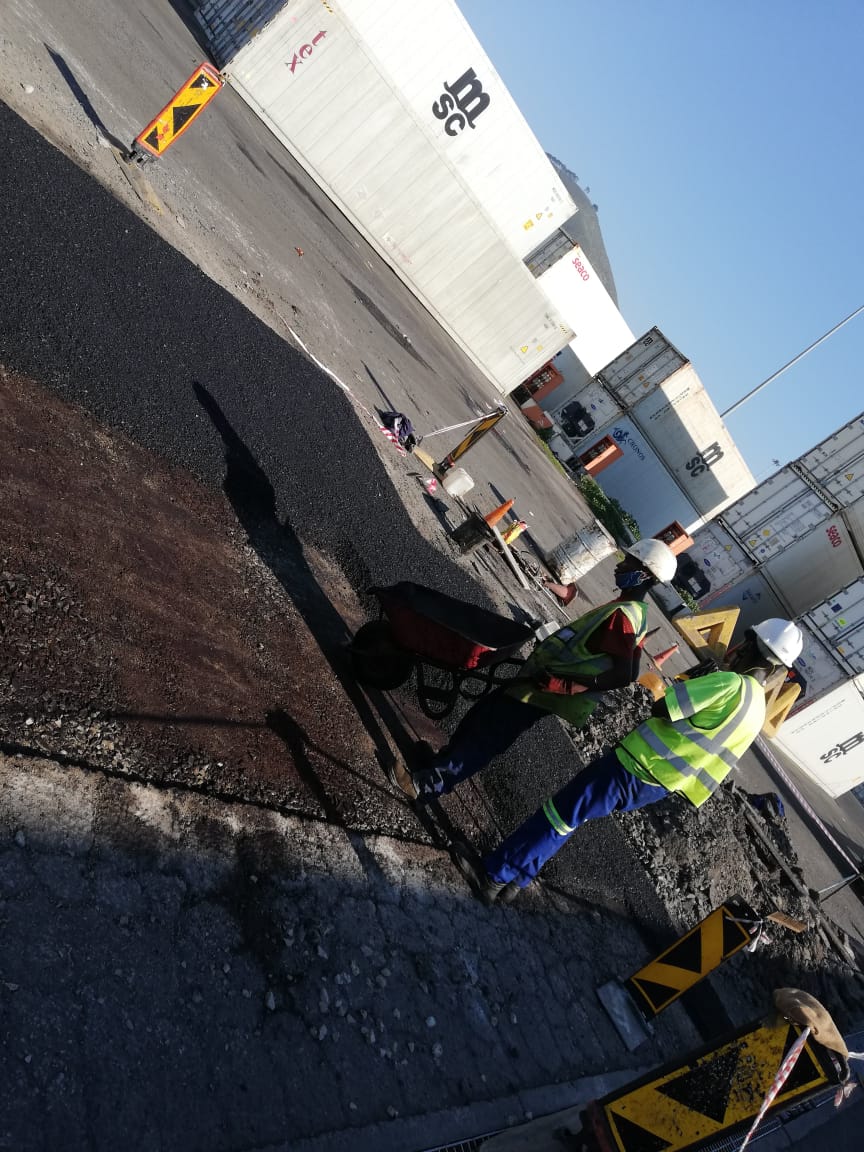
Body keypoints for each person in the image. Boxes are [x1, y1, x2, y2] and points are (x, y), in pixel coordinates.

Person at [450, 617, 805, 905]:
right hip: (660, 784)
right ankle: (518, 878)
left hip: (637, 765)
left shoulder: (729, 684)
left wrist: (690, 682)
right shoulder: (757, 711)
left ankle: (494, 875)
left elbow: (663, 707)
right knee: (570, 818)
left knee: (561, 812)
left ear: (750, 645)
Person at [392, 538, 678, 800]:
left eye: (628, 562)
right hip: (540, 680)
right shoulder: (634, 612)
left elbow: (623, 675)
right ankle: (439, 763)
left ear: (643, 574)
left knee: (486, 735)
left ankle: (425, 786)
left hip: (547, 689)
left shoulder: (624, 617)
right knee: (481, 718)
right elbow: (625, 666)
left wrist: (568, 684)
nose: (620, 566)